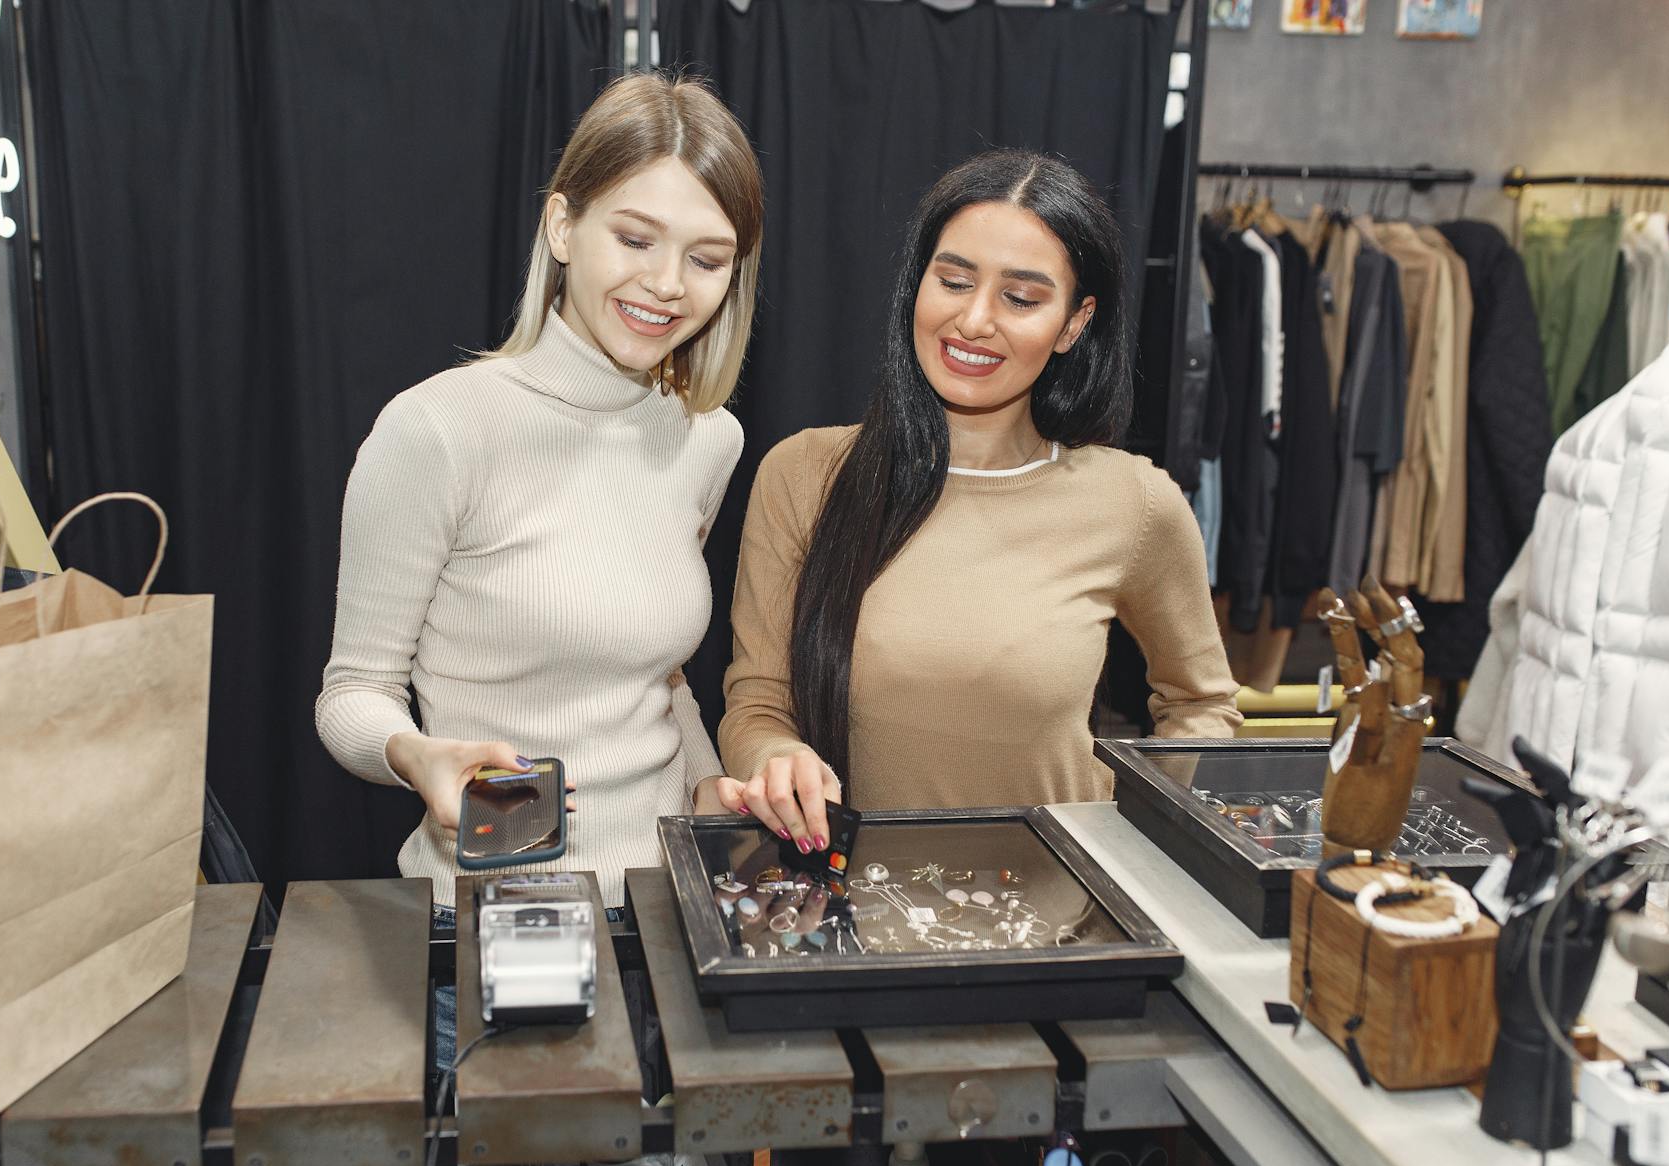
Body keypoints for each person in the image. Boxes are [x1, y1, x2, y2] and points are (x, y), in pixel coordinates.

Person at [317, 72, 764, 919]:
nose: (668, 284)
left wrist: (709, 784)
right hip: (500, 922)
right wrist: (415, 754)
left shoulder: (709, 439)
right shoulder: (436, 431)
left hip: (673, 911)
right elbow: (351, 695)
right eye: (636, 239)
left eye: (706, 259)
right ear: (563, 225)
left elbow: (659, 675)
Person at [715, 149, 1239, 850]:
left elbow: (1202, 704)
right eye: (954, 281)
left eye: (1021, 299)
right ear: (918, 283)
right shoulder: (806, 475)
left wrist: (1141, 839)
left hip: (1063, 924)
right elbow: (756, 703)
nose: (974, 320)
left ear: (1075, 324)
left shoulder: (1133, 502)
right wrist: (774, 760)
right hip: (848, 916)